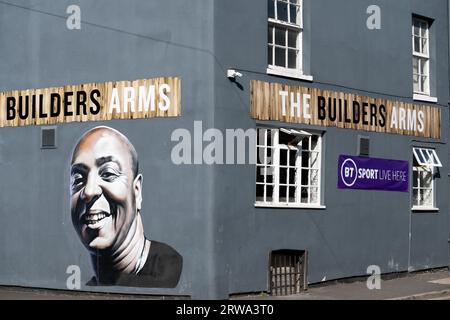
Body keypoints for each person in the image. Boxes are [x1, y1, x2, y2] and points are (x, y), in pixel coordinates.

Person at [70, 126, 182, 288]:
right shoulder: (94, 286)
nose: (89, 191)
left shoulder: (167, 270)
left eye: (108, 173)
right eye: (78, 179)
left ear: (136, 191)